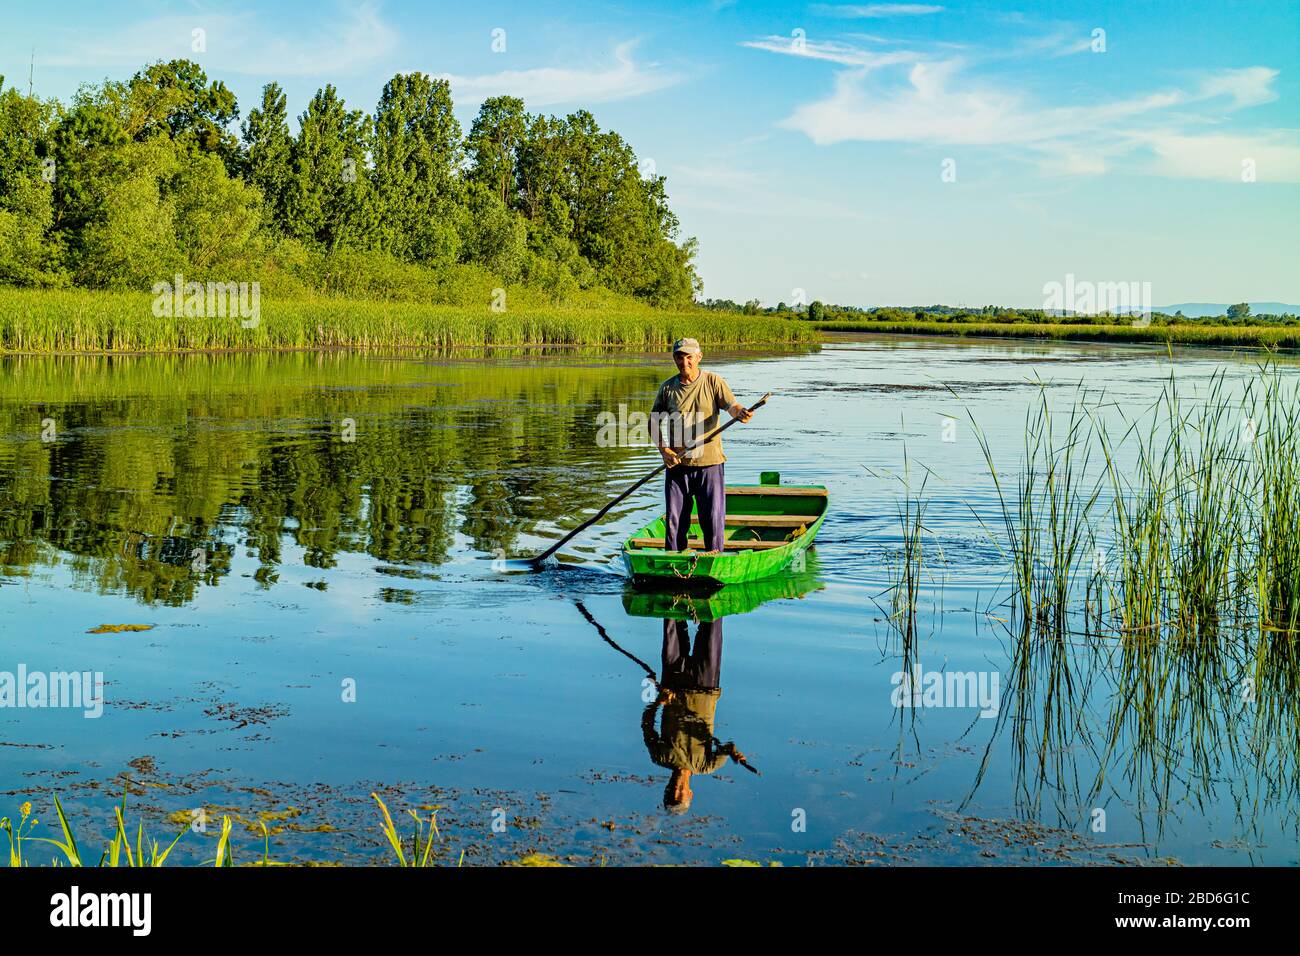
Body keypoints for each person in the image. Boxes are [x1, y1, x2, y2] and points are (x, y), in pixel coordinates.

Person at [650, 338, 753, 553]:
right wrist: (664, 450)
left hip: (710, 464)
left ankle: (713, 559)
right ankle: (674, 561)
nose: (684, 362)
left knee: (712, 520)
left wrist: (741, 413)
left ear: (699, 358)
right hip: (678, 466)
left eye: (689, 357)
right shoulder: (667, 388)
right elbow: (653, 422)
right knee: (675, 523)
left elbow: (732, 406)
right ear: (674, 359)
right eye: (680, 357)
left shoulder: (713, 382)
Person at [641, 617, 746, 814]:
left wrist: (658, 702)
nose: (676, 789)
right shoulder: (706, 765)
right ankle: (712, 593)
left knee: (671, 621)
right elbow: (728, 748)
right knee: (713, 624)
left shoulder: (660, 757)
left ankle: (677, 590)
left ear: (666, 789)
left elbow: (646, 724)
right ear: (690, 793)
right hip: (705, 687)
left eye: (671, 792)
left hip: (674, 683)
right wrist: (734, 753)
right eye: (680, 794)